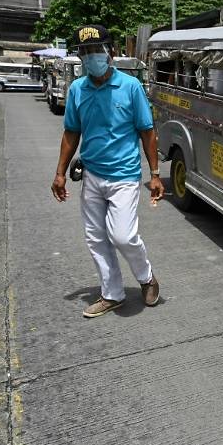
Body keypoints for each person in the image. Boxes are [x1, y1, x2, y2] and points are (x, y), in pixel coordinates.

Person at [51, 24, 164, 318]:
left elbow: (147, 132)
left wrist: (154, 174)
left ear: (110, 52)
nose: (90, 57)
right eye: (84, 52)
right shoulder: (77, 89)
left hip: (124, 176)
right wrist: (60, 172)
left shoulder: (130, 87)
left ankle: (146, 277)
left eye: (95, 50)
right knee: (96, 237)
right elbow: (71, 133)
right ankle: (112, 293)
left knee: (123, 236)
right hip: (91, 176)